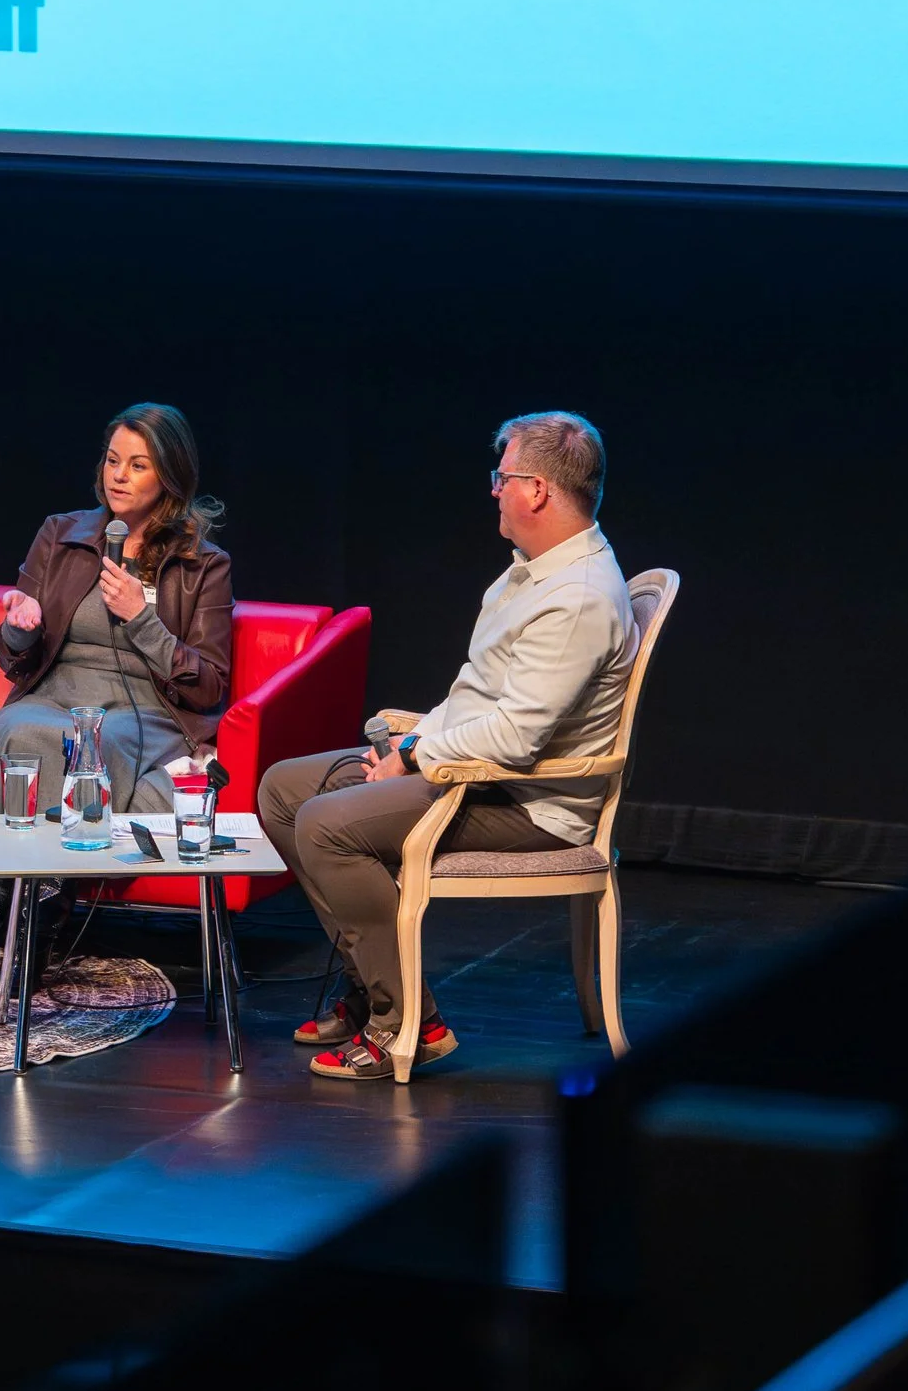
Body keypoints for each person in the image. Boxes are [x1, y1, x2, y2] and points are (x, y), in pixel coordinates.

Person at [260, 411, 634, 1081]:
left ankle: (406, 1020)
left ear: (538, 491)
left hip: (528, 805)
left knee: (325, 824)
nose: (495, 489)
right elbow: (480, 699)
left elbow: (517, 739)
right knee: (283, 788)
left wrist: (411, 752)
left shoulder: (576, 597)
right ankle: (372, 981)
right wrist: (412, 740)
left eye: (504, 476)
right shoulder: (534, 571)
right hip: (477, 772)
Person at [0, 404, 234, 993]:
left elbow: (209, 684)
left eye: (138, 464)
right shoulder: (62, 534)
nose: (118, 475)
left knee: (83, 742)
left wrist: (142, 618)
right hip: (55, 691)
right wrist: (20, 629)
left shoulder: (204, 563)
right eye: (111, 460)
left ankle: (34, 934)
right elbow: (13, 653)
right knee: (16, 735)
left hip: (146, 710)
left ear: (170, 478)